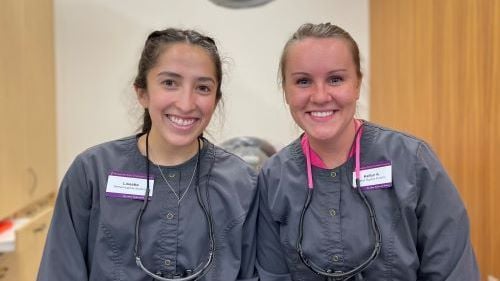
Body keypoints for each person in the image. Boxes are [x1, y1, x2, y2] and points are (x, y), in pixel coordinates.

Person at [256, 23, 479, 281]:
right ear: (286, 90)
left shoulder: (412, 161)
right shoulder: (273, 178)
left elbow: (453, 271)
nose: (319, 96)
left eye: (335, 79)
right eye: (303, 81)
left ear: (357, 84)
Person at [37, 28, 258, 281]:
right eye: (169, 83)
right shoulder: (92, 172)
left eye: (203, 88)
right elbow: (59, 272)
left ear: (216, 100)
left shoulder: (242, 183)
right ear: (142, 92)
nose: (186, 103)